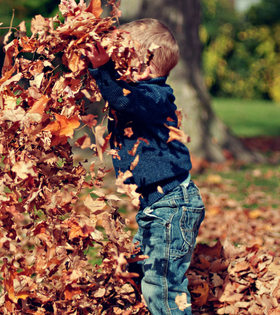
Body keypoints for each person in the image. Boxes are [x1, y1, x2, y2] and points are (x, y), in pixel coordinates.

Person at [86, 18, 206, 315]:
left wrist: (102, 69)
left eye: (122, 58)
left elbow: (123, 101)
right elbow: (117, 94)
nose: (116, 64)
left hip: (171, 206)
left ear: (144, 66)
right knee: (137, 266)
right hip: (157, 207)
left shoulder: (154, 97)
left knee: (162, 284)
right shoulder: (139, 94)